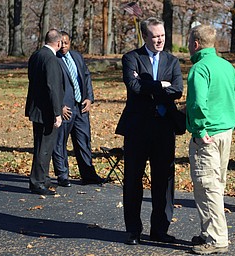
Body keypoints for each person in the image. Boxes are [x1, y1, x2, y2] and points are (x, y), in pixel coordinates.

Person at [115, 17, 183, 245]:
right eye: (155, 36)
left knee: (163, 182)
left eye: (162, 35)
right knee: (133, 180)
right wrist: (160, 86)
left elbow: (177, 91)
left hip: (164, 129)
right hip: (137, 129)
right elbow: (133, 86)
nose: (159, 40)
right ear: (145, 36)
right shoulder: (131, 58)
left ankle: (160, 230)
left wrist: (151, 87)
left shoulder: (172, 61)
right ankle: (133, 230)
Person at [186, 24, 235, 255]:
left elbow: (198, 104)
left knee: (207, 187)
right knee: (216, 185)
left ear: (196, 44)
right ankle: (208, 232)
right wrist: (232, 120)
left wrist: (200, 129)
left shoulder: (199, 69)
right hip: (225, 133)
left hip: (207, 136)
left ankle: (216, 239)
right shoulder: (226, 66)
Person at [52, 31, 104, 187]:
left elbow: (86, 76)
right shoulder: (53, 59)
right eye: (60, 43)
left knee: (83, 141)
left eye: (66, 43)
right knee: (60, 142)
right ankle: (62, 175)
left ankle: (88, 175)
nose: (63, 46)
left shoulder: (77, 56)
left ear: (70, 42)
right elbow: (52, 86)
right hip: (65, 108)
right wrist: (58, 107)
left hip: (81, 106)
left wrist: (89, 98)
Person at [25, 29, 64, 195]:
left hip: (36, 108)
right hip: (46, 111)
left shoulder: (36, 55)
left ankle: (44, 178)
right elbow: (53, 87)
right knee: (44, 147)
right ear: (58, 42)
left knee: (41, 145)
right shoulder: (51, 59)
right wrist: (57, 112)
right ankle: (38, 182)